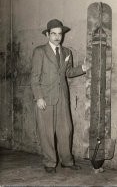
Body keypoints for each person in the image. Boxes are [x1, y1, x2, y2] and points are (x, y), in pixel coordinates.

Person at [31, 19, 86, 173]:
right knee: (46, 132)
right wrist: (38, 97)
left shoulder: (67, 52)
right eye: (53, 34)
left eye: (59, 34)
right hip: (45, 98)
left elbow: (68, 73)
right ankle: (49, 163)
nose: (57, 37)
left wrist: (83, 67)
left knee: (66, 130)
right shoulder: (40, 51)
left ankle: (67, 161)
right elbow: (34, 77)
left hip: (62, 97)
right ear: (48, 34)